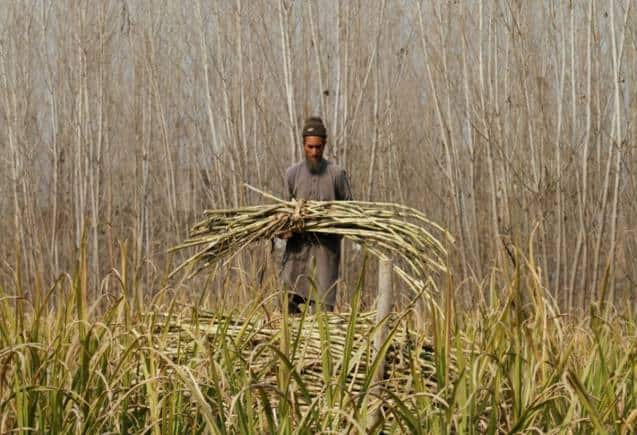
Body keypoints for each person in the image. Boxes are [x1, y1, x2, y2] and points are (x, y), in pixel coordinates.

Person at [279, 116, 352, 313]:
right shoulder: (292, 174)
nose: (314, 152)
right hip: (296, 260)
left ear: (324, 145)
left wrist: (330, 225)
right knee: (289, 315)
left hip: (324, 260)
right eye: (310, 147)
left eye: (318, 147)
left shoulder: (337, 175)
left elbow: (350, 216)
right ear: (303, 145)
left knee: (321, 322)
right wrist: (287, 229)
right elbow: (281, 217)